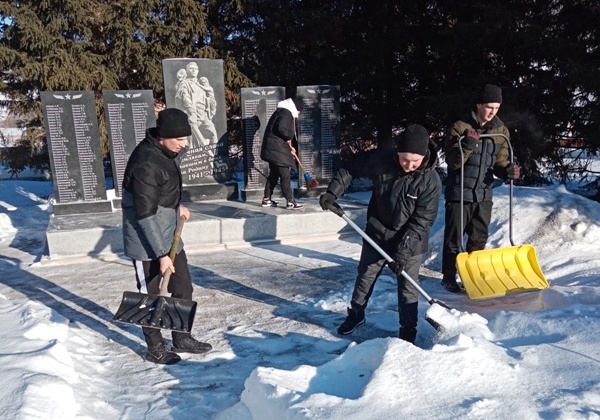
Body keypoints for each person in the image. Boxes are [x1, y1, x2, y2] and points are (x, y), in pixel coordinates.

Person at [319, 125, 442, 343]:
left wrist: (402, 253)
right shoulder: (381, 160)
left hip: (411, 242)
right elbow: (351, 168)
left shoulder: (430, 181)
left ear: (424, 156)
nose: (409, 166)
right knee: (365, 276)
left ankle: (407, 330)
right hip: (377, 233)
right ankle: (356, 314)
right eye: (405, 159)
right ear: (397, 152)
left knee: (407, 288)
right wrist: (332, 192)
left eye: (415, 161)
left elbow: (422, 221)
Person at [121, 108, 212, 364]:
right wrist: (161, 254)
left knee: (183, 287)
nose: (183, 146)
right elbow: (144, 214)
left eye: (185, 140)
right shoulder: (145, 164)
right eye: (179, 140)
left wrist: (175, 208)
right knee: (151, 296)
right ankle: (155, 347)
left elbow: (161, 193)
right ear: (163, 136)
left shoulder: (165, 152)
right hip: (146, 241)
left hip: (170, 233)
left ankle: (181, 337)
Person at [441, 84, 520, 293]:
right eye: (489, 107)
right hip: (460, 192)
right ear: (478, 105)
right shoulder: (459, 127)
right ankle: (448, 276)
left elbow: (499, 163)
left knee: (478, 238)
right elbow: (453, 163)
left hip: (484, 193)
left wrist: (507, 172)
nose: (493, 112)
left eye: (496, 107)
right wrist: (467, 145)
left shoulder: (500, 131)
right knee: (454, 239)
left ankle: (472, 278)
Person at [260, 98, 303, 209]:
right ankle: (290, 201)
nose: (298, 114)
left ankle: (266, 199)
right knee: (285, 175)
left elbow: (280, 132)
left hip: (273, 148)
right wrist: (289, 138)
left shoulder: (282, 111)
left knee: (274, 174)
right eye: (299, 111)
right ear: (296, 108)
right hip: (277, 150)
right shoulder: (287, 113)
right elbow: (282, 129)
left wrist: (290, 146)